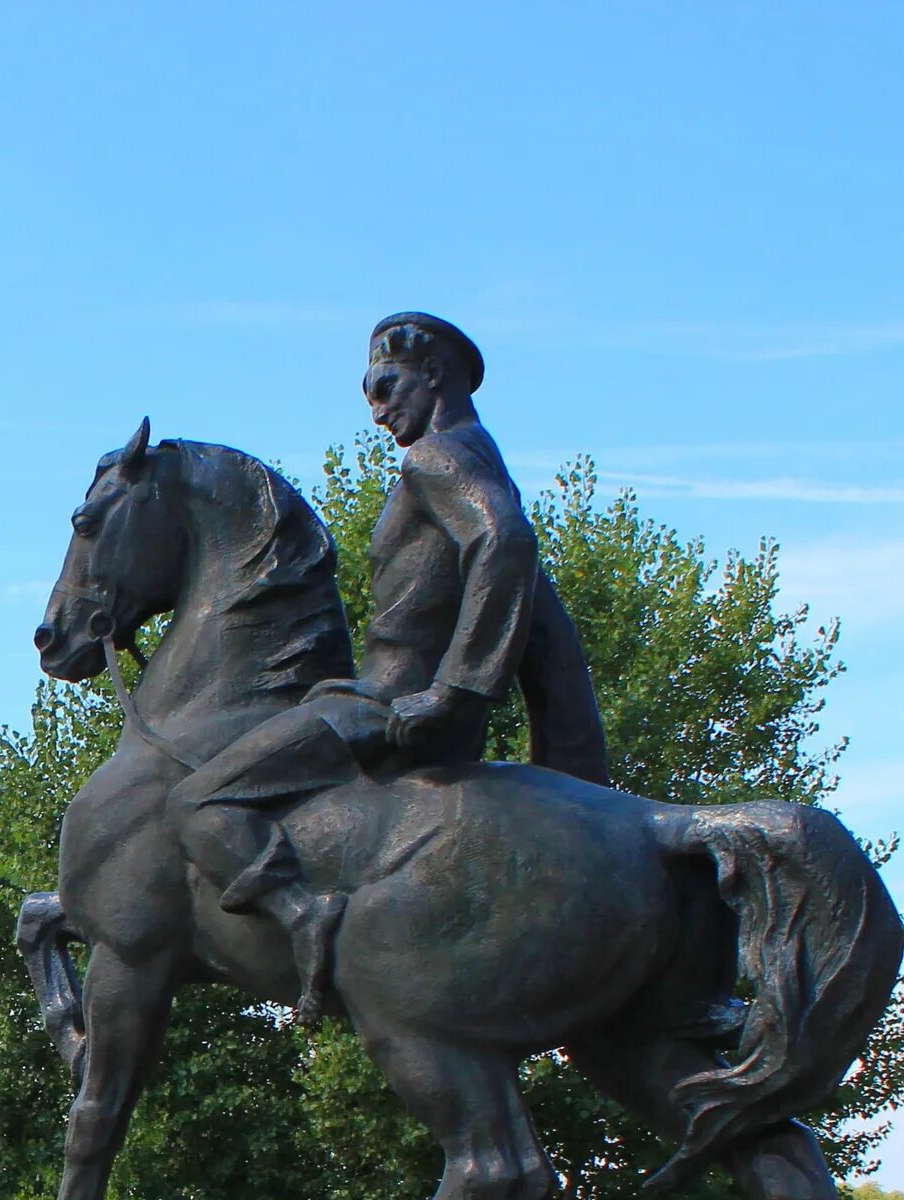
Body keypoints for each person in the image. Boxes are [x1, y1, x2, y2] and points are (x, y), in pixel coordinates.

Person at [171, 311, 610, 1023]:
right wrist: (581, 787)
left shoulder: (434, 459)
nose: (377, 411)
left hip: (379, 705)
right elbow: (546, 632)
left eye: (384, 386)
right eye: (369, 394)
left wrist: (456, 690)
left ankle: (303, 918)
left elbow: (506, 546)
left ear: (431, 371)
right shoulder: (478, 452)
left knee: (195, 801)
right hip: (404, 702)